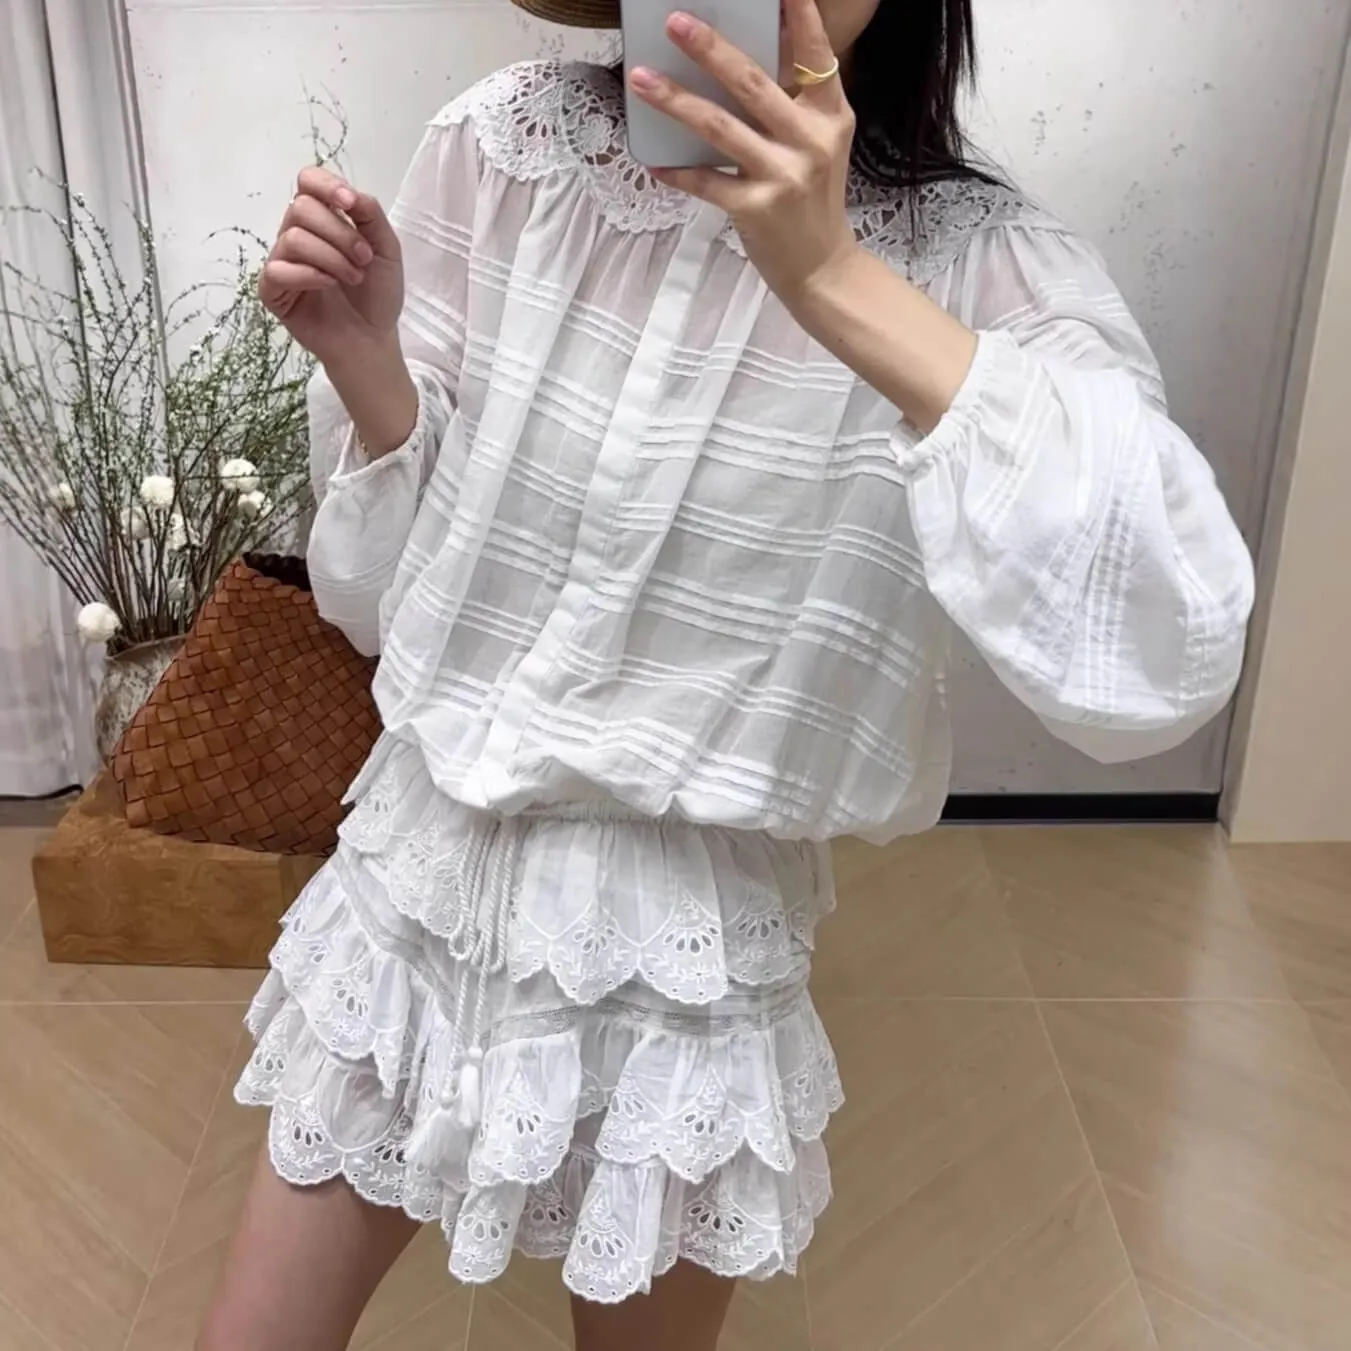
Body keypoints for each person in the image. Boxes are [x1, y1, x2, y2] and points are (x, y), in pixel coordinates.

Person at [198, 0, 1255, 1347]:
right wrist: (366, 363)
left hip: (684, 964)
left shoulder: (975, 265)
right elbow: (383, 598)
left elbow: (1167, 645)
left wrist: (832, 278)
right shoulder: (504, 151)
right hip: (413, 884)